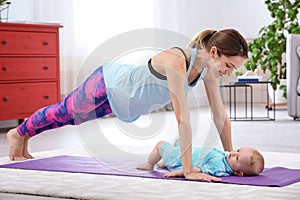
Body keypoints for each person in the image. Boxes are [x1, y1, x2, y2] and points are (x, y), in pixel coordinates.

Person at [6, 28, 248, 182]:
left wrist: (230, 156)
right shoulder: (177, 61)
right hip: (109, 85)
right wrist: (189, 170)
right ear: (214, 51)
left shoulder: (209, 71)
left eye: (234, 69)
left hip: (123, 103)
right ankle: (18, 133)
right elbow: (183, 118)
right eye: (229, 65)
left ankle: (24, 135)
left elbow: (220, 117)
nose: (229, 73)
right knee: (63, 114)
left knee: (68, 118)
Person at [137, 140, 265, 179]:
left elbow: (197, 170)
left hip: (179, 159)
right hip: (186, 152)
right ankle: (165, 161)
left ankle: (149, 164)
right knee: (179, 141)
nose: (232, 154)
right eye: (237, 150)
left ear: (238, 172)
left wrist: (178, 172)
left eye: (237, 158)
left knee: (161, 145)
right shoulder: (227, 159)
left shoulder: (218, 166)